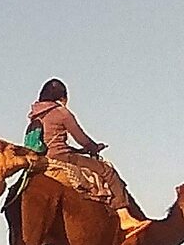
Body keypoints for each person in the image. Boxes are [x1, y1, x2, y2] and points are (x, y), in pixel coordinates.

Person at [26, 80, 146, 230]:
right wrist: (94, 148)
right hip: (62, 157)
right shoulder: (62, 113)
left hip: (44, 159)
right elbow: (81, 138)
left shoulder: (35, 115)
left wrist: (80, 151)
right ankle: (124, 216)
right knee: (107, 170)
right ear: (62, 97)